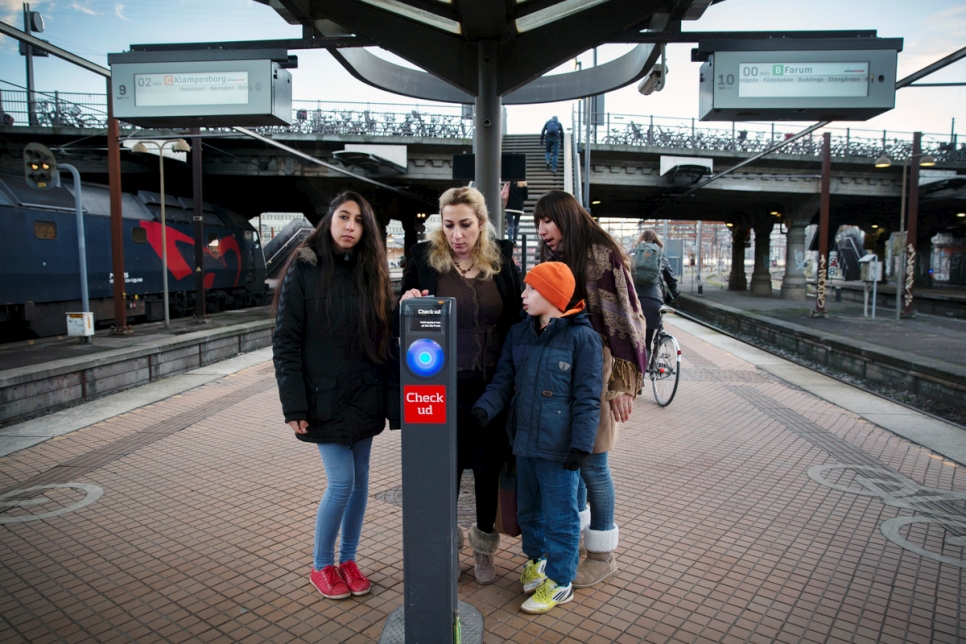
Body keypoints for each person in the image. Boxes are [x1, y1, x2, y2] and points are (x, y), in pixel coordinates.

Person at [273, 191, 396, 600]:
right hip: (322, 397)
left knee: (360, 483)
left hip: (363, 392)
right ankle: (322, 564)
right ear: (329, 220)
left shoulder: (370, 271)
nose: (350, 226)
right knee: (342, 482)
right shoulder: (304, 269)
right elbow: (286, 342)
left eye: (358, 221)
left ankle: (348, 560)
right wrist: (293, 404)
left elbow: (385, 335)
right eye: (343, 217)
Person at [398, 186, 523, 584]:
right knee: (442, 470)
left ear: (481, 223)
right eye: (448, 225)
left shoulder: (501, 259)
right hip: (441, 386)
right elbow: (401, 316)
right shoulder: (423, 259)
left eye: (465, 225)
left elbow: (518, 319)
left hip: (492, 387)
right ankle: (446, 547)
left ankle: (484, 547)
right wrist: (406, 302)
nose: (456, 235)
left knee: (487, 469)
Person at [471, 261, 602, 615]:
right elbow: (503, 381)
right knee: (528, 511)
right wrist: (484, 409)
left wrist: (581, 446)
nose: (523, 294)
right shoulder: (520, 333)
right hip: (524, 443)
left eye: (531, 289)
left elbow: (588, 399)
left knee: (561, 517)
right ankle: (537, 560)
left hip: (559, 449)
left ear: (553, 295)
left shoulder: (582, 339)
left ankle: (560, 582)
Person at [534, 190, 648, 588]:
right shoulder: (558, 255)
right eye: (539, 222)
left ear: (565, 217)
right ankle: (583, 542)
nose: (542, 229)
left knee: (594, 464)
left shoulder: (600, 253)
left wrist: (622, 385)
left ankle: (602, 553)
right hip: (565, 370)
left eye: (548, 220)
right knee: (576, 460)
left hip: (598, 367)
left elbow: (626, 316)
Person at [633, 229, 680, 351]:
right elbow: (672, 280)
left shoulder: (633, 253)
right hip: (653, 300)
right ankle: (646, 362)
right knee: (646, 342)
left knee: (633, 340)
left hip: (634, 300)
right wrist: (671, 297)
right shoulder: (660, 255)